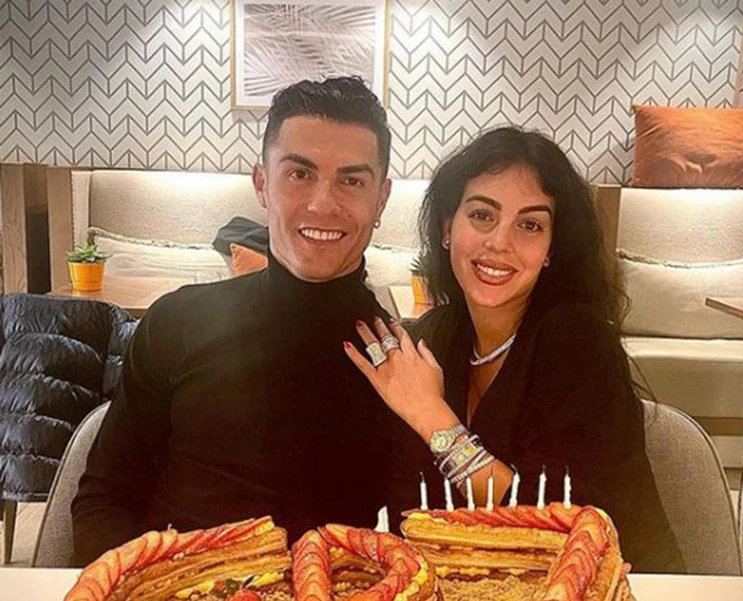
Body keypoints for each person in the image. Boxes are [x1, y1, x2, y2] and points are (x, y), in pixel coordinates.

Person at [72, 76, 395, 566]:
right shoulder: (178, 321)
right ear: (262, 183)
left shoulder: (401, 360)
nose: (322, 204)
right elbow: (105, 500)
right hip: (175, 593)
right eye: (299, 174)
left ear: (381, 199)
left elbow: (420, 534)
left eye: (351, 181)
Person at [344, 127, 685, 573]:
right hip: (474, 592)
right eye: (482, 215)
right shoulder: (432, 338)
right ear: (447, 228)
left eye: (529, 225)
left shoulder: (577, 341)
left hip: (617, 593)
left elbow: (556, 529)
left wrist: (432, 417)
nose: (500, 242)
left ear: (550, 249)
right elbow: (407, 510)